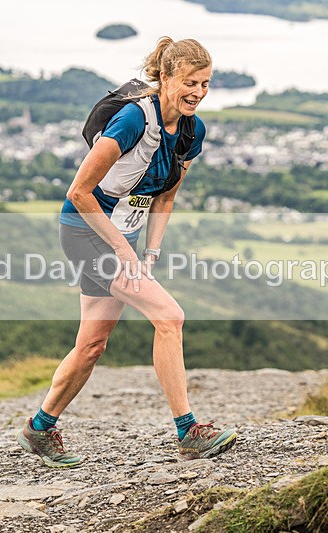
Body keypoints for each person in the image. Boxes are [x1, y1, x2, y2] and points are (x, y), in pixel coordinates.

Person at [17, 36, 237, 468]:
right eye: (191, 82)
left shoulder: (193, 131)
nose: (198, 92)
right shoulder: (134, 120)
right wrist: (124, 250)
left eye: (207, 84)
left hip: (125, 239)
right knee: (170, 317)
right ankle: (188, 430)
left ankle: (39, 429)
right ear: (167, 77)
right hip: (87, 231)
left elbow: (165, 198)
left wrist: (148, 252)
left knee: (92, 346)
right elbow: (79, 192)